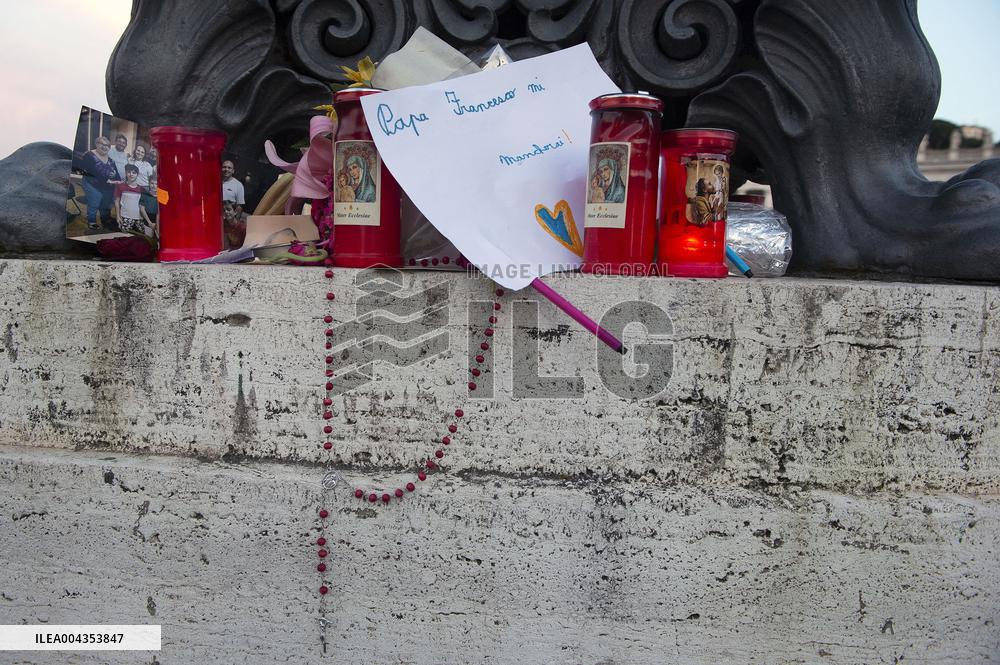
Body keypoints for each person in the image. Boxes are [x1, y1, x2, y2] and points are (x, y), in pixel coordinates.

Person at [79, 136, 122, 230]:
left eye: (107, 145)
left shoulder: (111, 160)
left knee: (105, 204)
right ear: (97, 144)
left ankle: (105, 219)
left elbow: (117, 176)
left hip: (106, 186)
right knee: (94, 202)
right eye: (102, 144)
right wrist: (106, 178)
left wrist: (114, 176)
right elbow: (86, 171)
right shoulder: (89, 155)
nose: (105, 147)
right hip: (92, 184)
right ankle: (92, 222)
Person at [114, 164, 152, 234]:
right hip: (125, 217)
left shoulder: (142, 189)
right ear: (126, 173)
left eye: (134, 173)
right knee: (124, 235)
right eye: (129, 172)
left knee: (143, 237)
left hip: (139, 218)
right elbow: (117, 202)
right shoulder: (120, 186)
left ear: (137, 174)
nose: (131, 174)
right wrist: (118, 216)